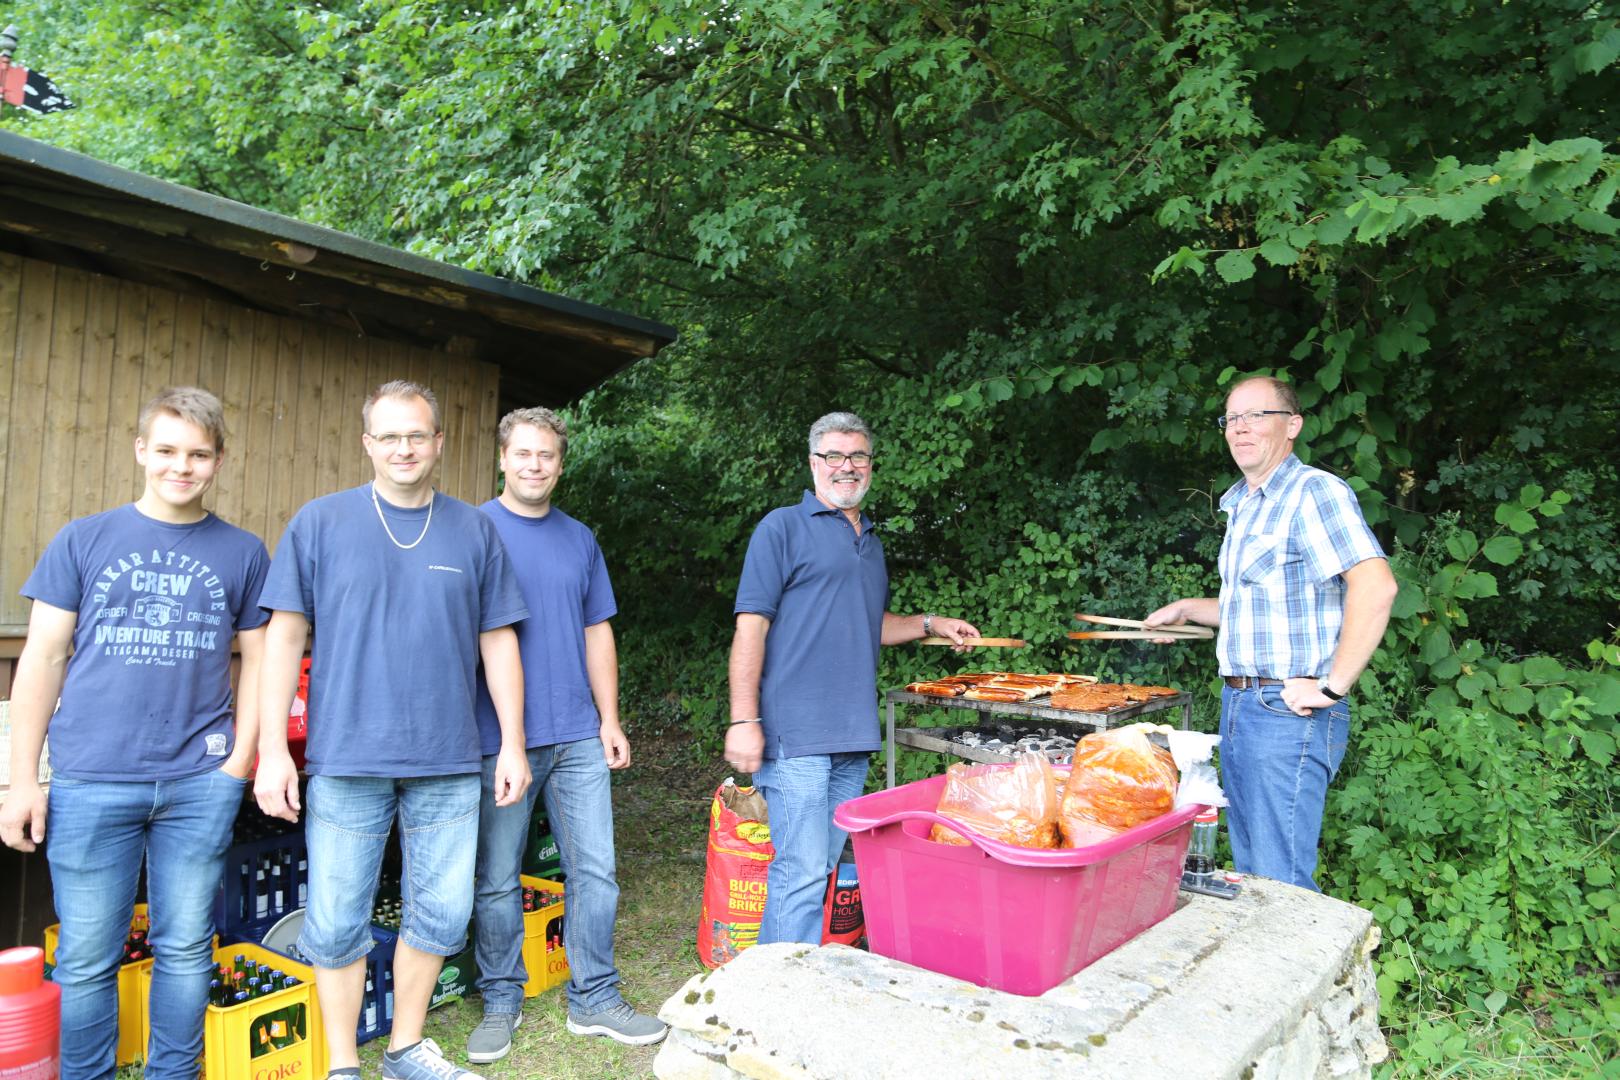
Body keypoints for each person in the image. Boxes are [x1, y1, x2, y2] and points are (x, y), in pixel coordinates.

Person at [253, 380, 531, 1080]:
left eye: (418, 435)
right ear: (367, 442)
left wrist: (515, 743)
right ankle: (344, 1064)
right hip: (347, 757)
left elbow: (498, 643)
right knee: (337, 920)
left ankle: (405, 1049)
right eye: (389, 435)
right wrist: (269, 754)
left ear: (438, 443)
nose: (404, 447)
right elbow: (284, 639)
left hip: (447, 757)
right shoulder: (320, 522)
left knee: (440, 913)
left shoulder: (474, 529)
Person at [0, 387, 270, 1079]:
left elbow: (262, 660)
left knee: (187, 948)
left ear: (219, 460)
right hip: (91, 779)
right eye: (169, 450)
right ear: (141, 450)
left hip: (198, 781)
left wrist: (239, 761)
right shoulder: (83, 538)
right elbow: (43, 659)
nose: (183, 466)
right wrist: (23, 779)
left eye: (199, 454)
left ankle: (171, 1074)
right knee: (88, 956)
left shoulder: (242, 552)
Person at [726, 411, 979, 945]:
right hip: (795, 734)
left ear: (870, 465)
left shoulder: (871, 543)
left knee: (819, 870)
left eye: (858, 456)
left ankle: (789, 981)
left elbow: (871, 625)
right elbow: (751, 626)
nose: (847, 466)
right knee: (798, 874)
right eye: (834, 456)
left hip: (853, 734)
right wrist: (744, 719)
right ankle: (775, 1005)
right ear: (814, 462)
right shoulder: (782, 528)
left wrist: (930, 624)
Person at [465, 407, 666, 1063]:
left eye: (546, 455)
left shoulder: (580, 538)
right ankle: (500, 1000)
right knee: (496, 878)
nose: (534, 465)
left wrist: (609, 718)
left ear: (560, 461)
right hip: (500, 740)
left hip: (578, 733)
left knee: (596, 873)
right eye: (523, 453)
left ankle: (595, 998)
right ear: (502, 457)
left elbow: (596, 630)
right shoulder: (472, 531)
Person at [1144, 375, 1397, 891]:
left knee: (1280, 881)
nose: (1240, 429)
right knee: (1254, 872)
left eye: (1256, 415)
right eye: (1231, 419)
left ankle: (1317, 970)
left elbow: (1377, 586)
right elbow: (1266, 606)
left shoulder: (1313, 492)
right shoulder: (1244, 504)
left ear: (1293, 426)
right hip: (1240, 707)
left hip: (1288, 712)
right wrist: (1190, 609)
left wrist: (1330, 687)